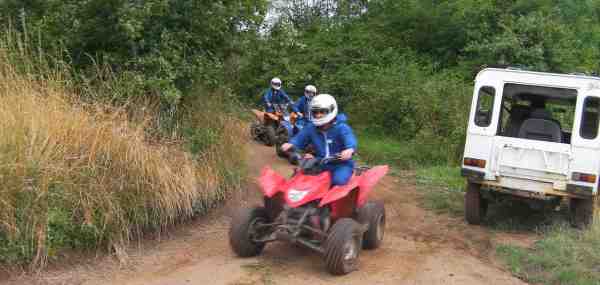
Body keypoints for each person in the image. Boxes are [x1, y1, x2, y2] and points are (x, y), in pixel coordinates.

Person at [281, 94, 357, 186]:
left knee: (338, 181)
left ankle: (336, 199)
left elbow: (349, 139)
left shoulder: (341, 128)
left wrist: (349, 149)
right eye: (315, 112)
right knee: (300, 176)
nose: (318, 115)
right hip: (320, 162)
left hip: (341, 164)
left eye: (322, 112)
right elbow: (301, 137)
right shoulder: (311, 127)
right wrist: (291, 144)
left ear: (331, 110)